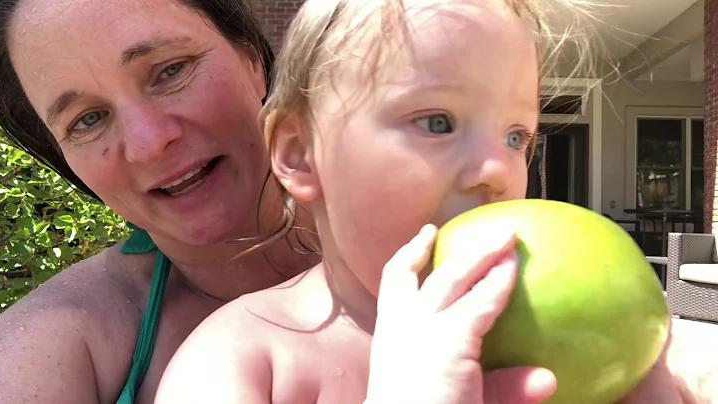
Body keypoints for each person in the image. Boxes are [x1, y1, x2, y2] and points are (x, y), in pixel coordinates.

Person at [154, 0, 703, 403]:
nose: (496, 170)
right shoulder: (243, 363)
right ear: (300, 154)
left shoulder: (565, 338)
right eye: (437, 122)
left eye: (516, 137)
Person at [0, 0, 322, 403]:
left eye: (171, 70)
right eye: (87, 119)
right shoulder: (46, 349)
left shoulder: (417, 216)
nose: (148, 144)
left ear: (253, 59)